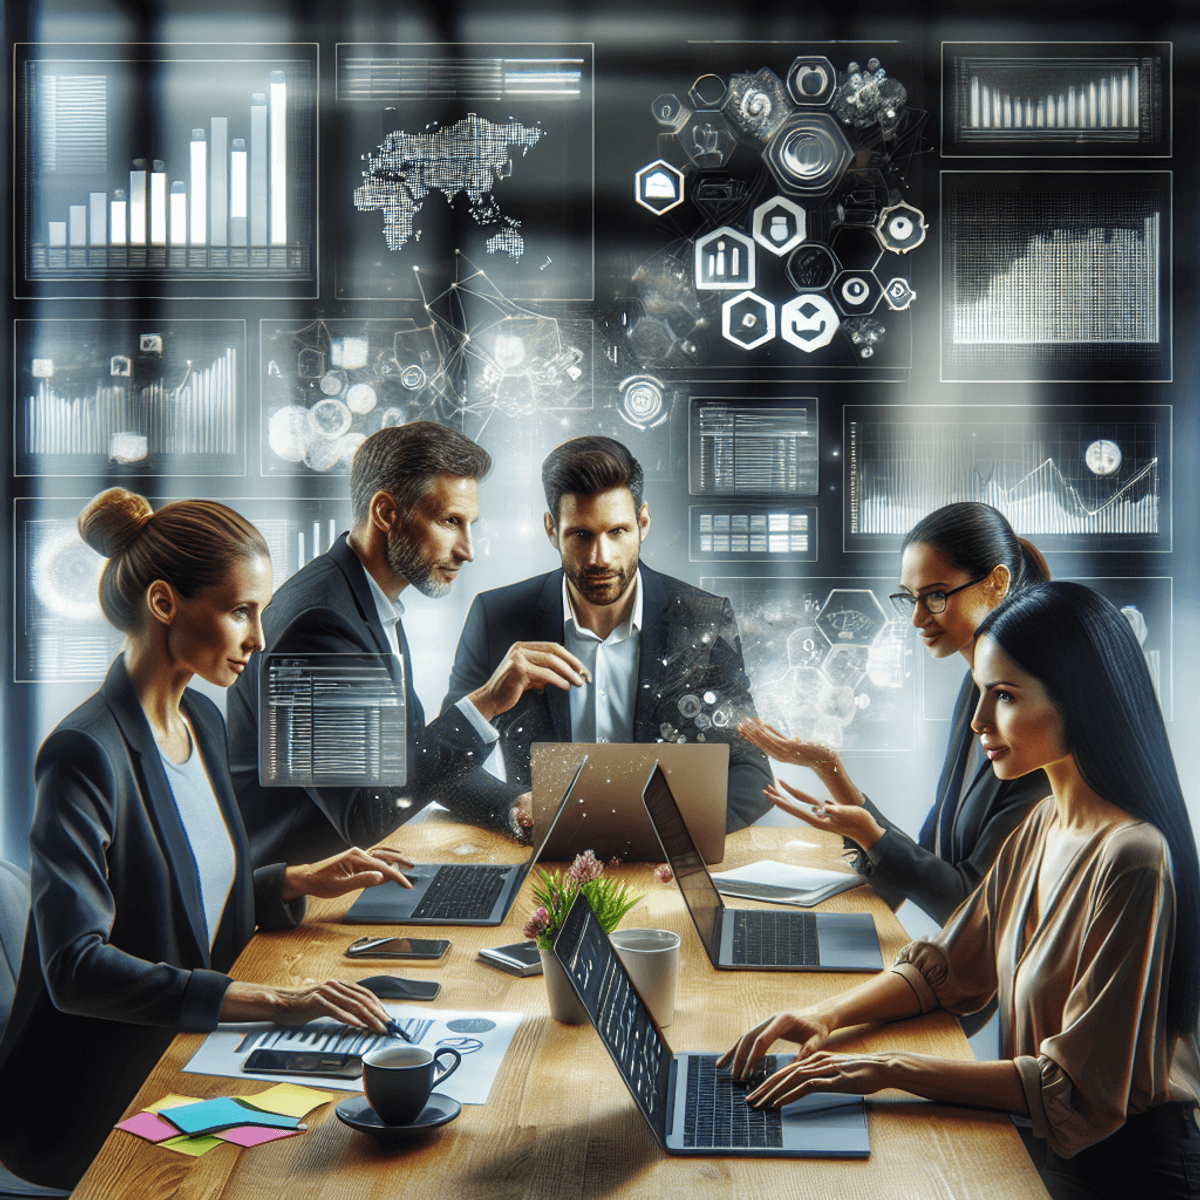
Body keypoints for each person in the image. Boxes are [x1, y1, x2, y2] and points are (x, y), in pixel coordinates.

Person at [720, 581, 1200, 1200]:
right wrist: (825, 1015)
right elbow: (948, 969)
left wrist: (887, 1069)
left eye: (1004, 696)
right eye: (980, 693)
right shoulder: (1044, 822)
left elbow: (1073, 1088)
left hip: (1127, 1174)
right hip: (1048, 1144)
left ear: (1080, 701)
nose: (978, 722)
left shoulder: (1133, 857)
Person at [0, 489, 411, 1192]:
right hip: (93, 1104)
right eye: (241, 611)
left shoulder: (204, 722)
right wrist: (279, 1003)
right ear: (165, 603)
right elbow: (75, 968)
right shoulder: (83, 752)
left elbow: (177, 899)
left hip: (185, 1058)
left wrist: (293, 880)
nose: (259, 638)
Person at [227, 421, 588, 866]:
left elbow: (413, 761)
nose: (467, 550)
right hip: (304, 893)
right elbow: (365, 813)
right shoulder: (319, 625)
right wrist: (486, 703)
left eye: (469, 525)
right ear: (386, 513)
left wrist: (514, 804)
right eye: (450, 522)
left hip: (360, 870)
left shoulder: (365, 602)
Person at [442, 435, 773, 832]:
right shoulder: (497, 618)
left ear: (643, 523)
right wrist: (515, 806)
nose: (600, 557)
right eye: (581, 535)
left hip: (663, 855)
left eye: (617, 531)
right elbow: (444, 763)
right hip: (541, 856)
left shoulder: (703, 620)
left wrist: (666, 832)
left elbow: (752, 774)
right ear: (552, 530)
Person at [740, 502, 1050, 923]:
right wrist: (830, 770)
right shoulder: (973, 689)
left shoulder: (1033, 715)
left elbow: (970, 906)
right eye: (910, 598)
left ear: (996, 582)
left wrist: (865, 832)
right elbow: (928, 861)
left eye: (936, 596)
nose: (918, 618)